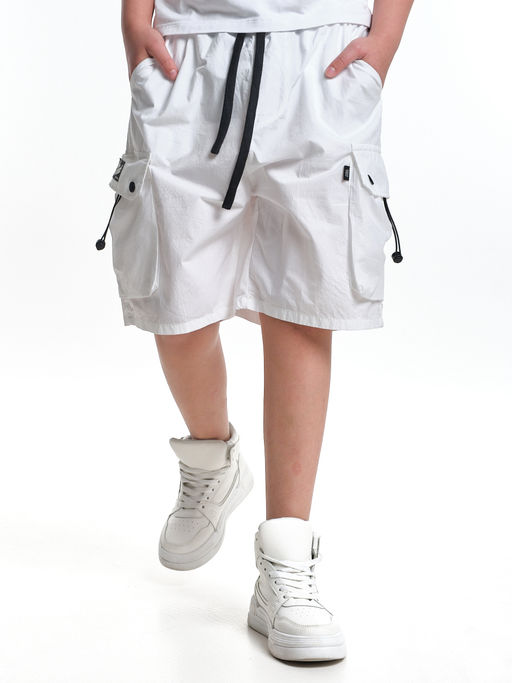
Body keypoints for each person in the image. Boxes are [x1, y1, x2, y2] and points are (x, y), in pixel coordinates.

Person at [96, 0, 414, 663]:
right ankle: (211, 456)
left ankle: (286, 563)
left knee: (300, 305)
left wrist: (385, 35)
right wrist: (134, 17)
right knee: (174, 304)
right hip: (188, 49)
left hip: (321, 53)